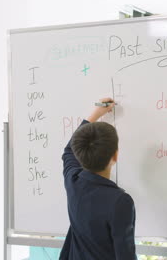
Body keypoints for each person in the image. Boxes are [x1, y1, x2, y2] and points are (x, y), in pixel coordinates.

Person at [60, 98, 137, 260]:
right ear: (115, 156)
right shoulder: (120, 201)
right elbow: (126, 255)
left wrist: (94, 115)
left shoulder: (74, 182)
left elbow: (68, 151)